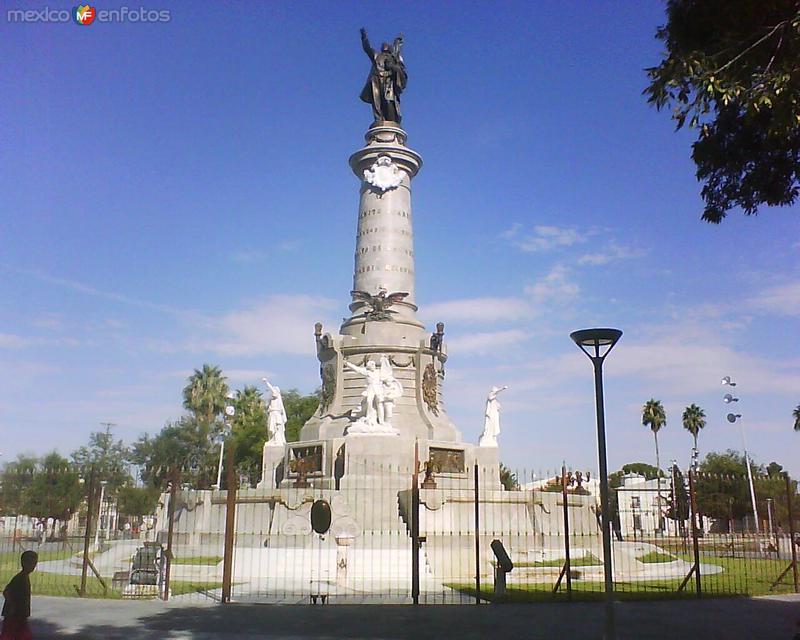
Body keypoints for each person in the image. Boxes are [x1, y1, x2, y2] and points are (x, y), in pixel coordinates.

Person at [2, 550, 38, 640]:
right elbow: (6, 592)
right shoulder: (19, 578)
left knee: (22, 635)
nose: (33, 566)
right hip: (14, 614)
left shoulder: (24, 577)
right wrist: (12, 606)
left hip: (21, 613)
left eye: (34, 563)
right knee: (9, 634)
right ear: (23, 563)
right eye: (30, 563)